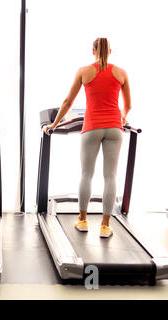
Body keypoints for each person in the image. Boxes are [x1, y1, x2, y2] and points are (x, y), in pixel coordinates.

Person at [44, 38, 131, 238]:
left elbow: (67, 101)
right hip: (115, 129)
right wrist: (123, 117)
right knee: (110, 176)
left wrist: (54, 124)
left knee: (86, 174)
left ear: (92, 51)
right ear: (110, 51)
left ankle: (82, 220)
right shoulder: (121, 73)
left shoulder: (84, 71)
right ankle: (105, 225)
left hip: (92, 127)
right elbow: (128, 105)